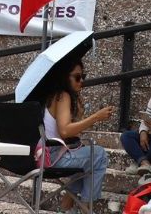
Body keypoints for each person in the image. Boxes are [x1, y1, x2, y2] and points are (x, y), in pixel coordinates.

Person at [41, 59, 112, 208]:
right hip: (54, 156)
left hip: (46, 154)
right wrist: (95, 117)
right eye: (77, 77)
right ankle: (85, 208)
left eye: (83, 77)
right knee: (99, 155)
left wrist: (79, 115)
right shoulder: (63, 96)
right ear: (65, 77)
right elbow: (65, 130)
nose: (81, 81)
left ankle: (65, 208)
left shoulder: (53, 95)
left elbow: (68, 130)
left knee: (86, 159)